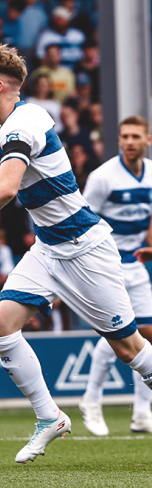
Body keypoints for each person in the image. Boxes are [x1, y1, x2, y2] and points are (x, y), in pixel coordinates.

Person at [0, 0, 152, 464]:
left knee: (130, 348)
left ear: (0, 87)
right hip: (49, 247)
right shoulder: (11, 110)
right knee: (1, 327)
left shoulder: (24, 126)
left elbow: (5, 190)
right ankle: (50, 418)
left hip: (85, 249)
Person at [79, 116, 152, 436]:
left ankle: (141, 413)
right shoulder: (103, 177)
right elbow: (81, 220)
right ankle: (91, 399)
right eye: (124, 136)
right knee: (120, 333)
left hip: (135, 264)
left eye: (136, 136)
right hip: (107, 265)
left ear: (147, 140)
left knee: (145, 335)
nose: (129, 141)